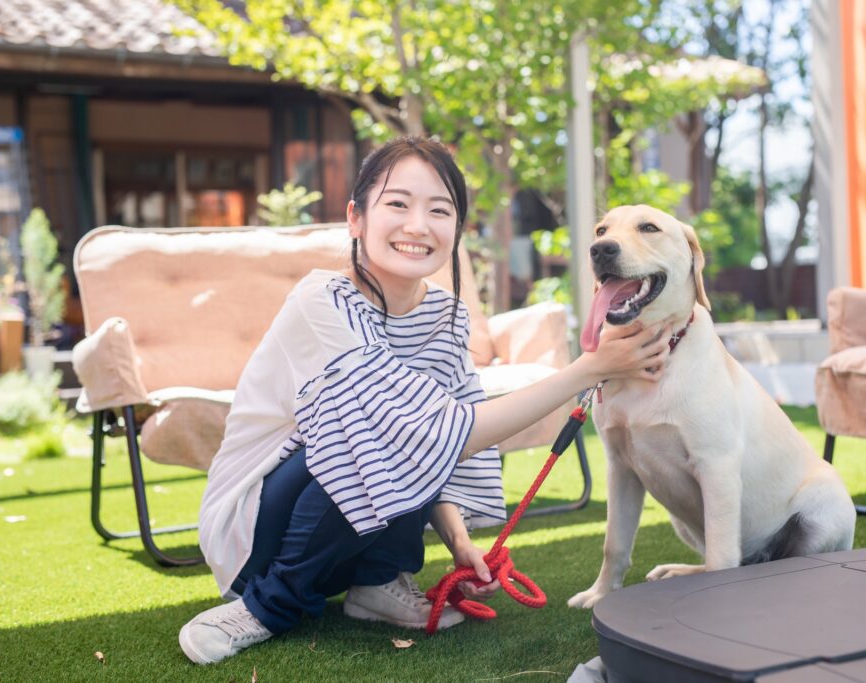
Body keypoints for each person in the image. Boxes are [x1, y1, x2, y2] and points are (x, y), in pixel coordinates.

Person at [178, 136, 672, 665]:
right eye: (397, 204)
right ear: (356, 218)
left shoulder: (443, 315)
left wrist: (460, 545)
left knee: (408, 425)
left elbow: (441, 445)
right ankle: (266, 606)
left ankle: (376, 582)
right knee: (373, 426)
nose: (418, 225)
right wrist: (590, 368)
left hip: (348, 540)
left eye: (439, 210)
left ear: (455, 229)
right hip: (258, 535)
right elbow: (418, 431)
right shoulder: (321, 303)